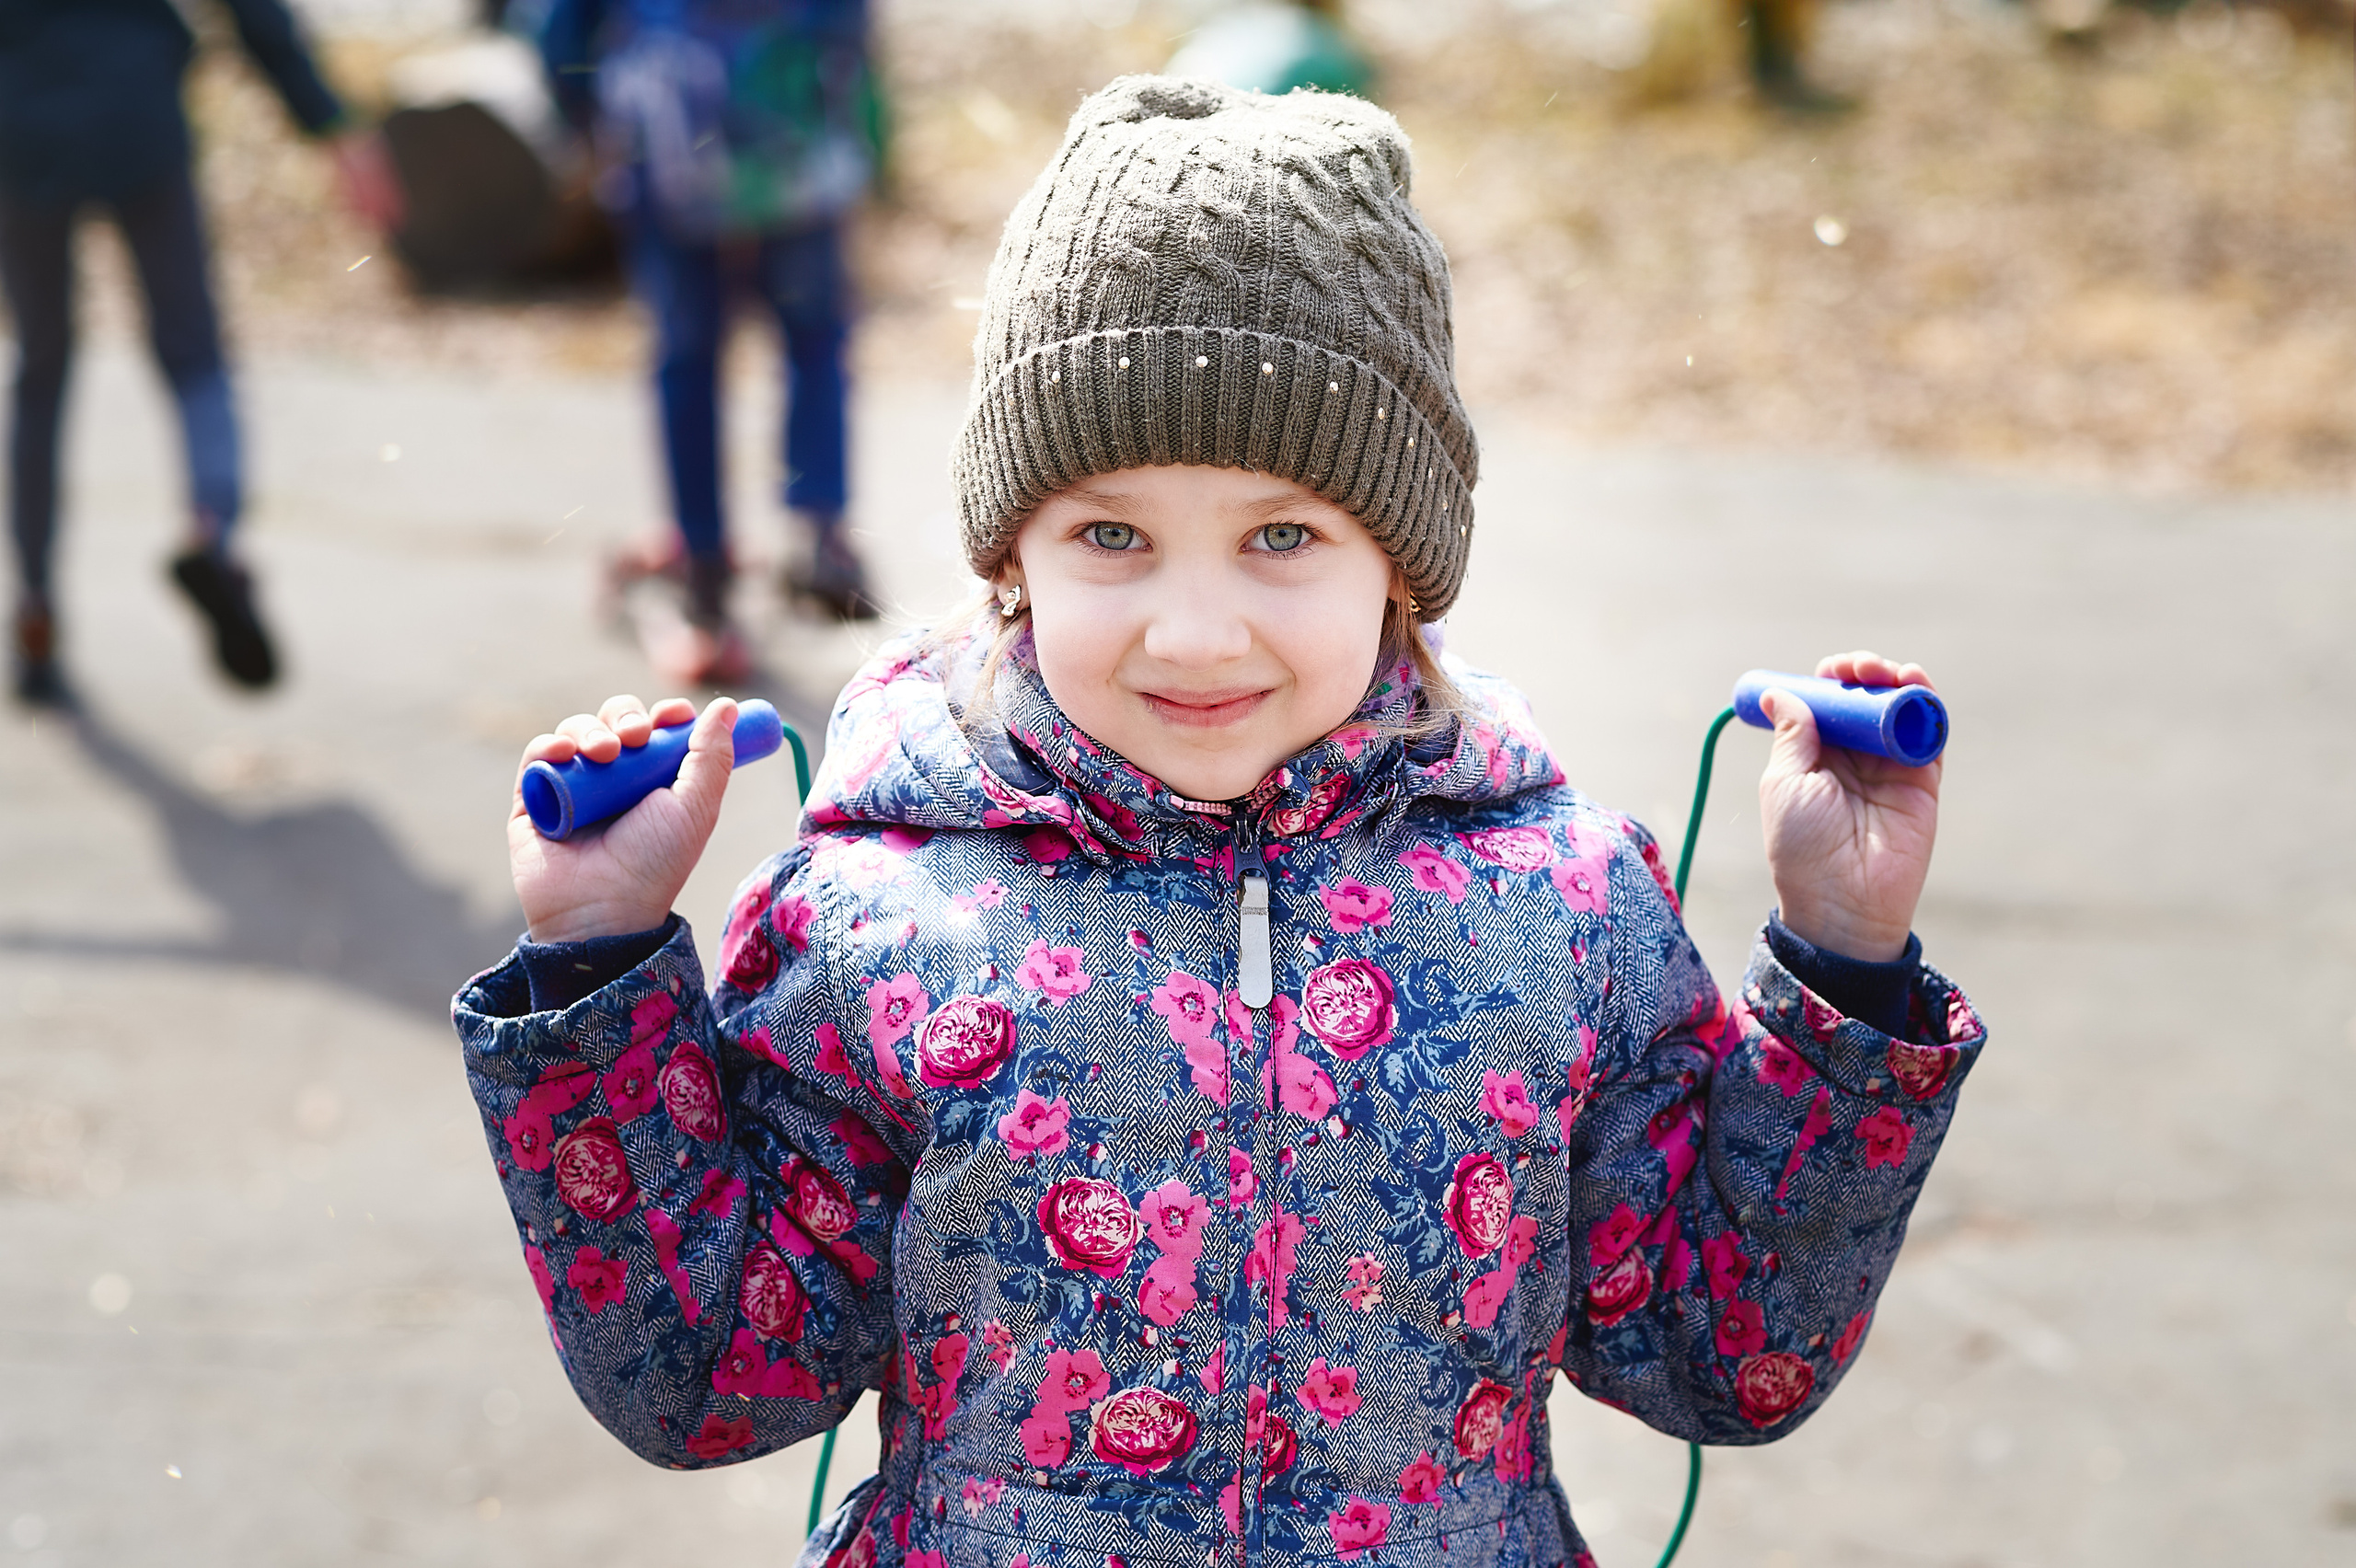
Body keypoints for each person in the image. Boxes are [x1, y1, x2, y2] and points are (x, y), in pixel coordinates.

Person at [455, 78, 1983, 1568]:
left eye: (1283, 535)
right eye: (1111, 532)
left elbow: (1723, 1353)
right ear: (1014, 560)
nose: (1194, 631)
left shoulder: (1561, 912)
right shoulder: (876, 920)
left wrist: (1840, 960)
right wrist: (599, 965)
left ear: (1399, 564)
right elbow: (708, 1378)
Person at [0, 0, 399, 704]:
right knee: (194, 356)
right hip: (137, 115)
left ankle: (36, 609)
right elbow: (252, 10)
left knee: (42, 368)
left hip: (22, 129)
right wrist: (328, 123)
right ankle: (212, 534)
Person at [534, 0, 887, 686]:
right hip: (795, 126)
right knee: (814, 341)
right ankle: (822, 530)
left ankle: (704, 567)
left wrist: (587, 122)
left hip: (671, 147)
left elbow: (562, 30)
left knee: (688, 361)